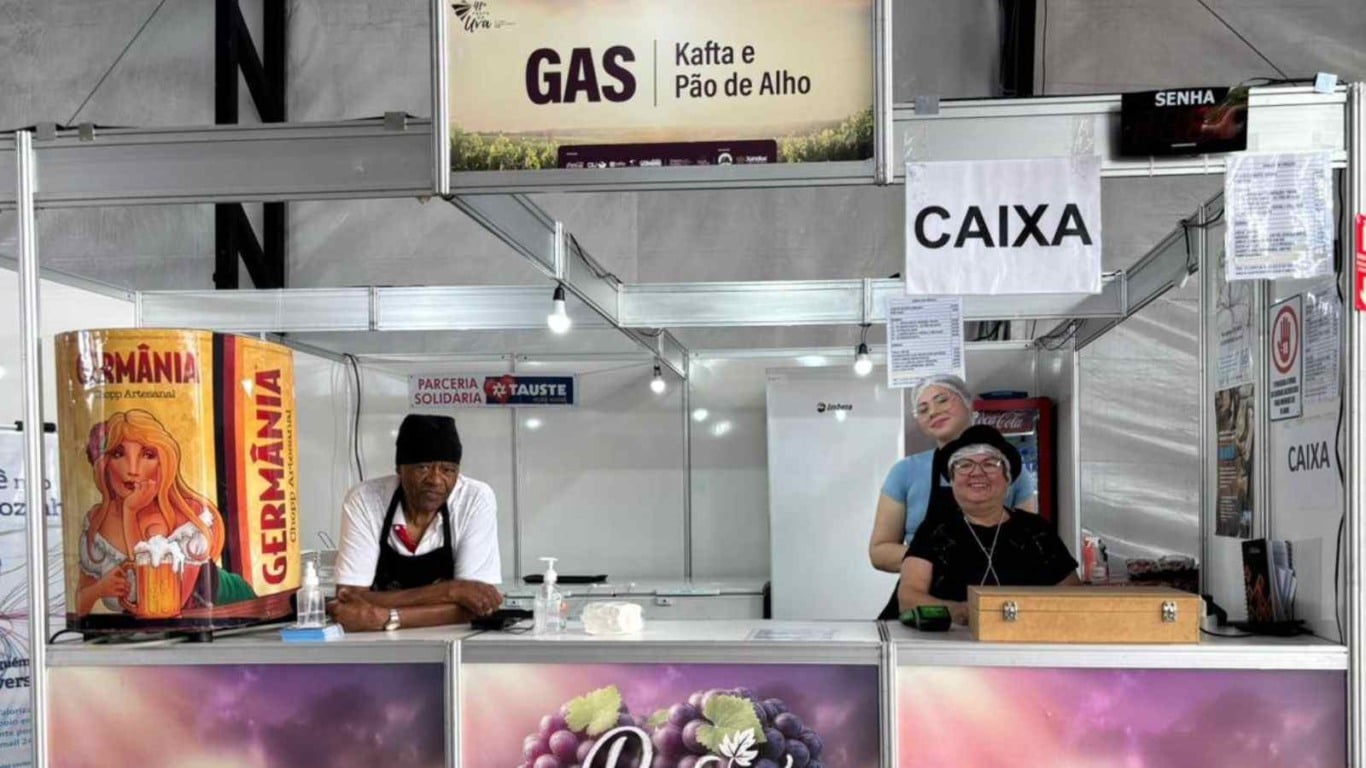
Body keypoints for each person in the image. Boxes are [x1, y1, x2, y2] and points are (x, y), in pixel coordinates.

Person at [869, 375, 1036, 619]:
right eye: (923, 409)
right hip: (922, 608)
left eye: (942, 400)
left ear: (969, 405)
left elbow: (1030, 548)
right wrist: (936, 558)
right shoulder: (905, 472)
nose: (933, 412)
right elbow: (879, 552)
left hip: (993, 609)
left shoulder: (1012, 471)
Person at [330, 414, 504, 632]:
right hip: (373, 642)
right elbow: (349, 599)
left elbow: (477, 605)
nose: (435, 480)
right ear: (399, 469)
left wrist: (386, 617)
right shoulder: (366, 500)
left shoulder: (475, 499)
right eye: (423, 467)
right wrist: (450, 591)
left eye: (448, 470)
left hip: (447, 638)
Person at [76, 409, 254, 616]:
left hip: (230, 606)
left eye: (148, 455)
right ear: (105, 465)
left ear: (163, 463)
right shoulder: (96, 523)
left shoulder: (184, 517)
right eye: (118, 454)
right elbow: (78, 606)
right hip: (139, 639)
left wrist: (129, 513)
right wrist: (99, 589)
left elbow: (162, 601)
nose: (132, 469)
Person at [897, 425, 1080, 623]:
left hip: (1030, 641)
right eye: (964, 465)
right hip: (954, 645)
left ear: (1007, 479)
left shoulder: (1037, 530)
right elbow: (909, 598)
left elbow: (1074, 595)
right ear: (952, 480)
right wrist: (963, 612)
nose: (977, 473)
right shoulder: (934, 529)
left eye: (990, 464)